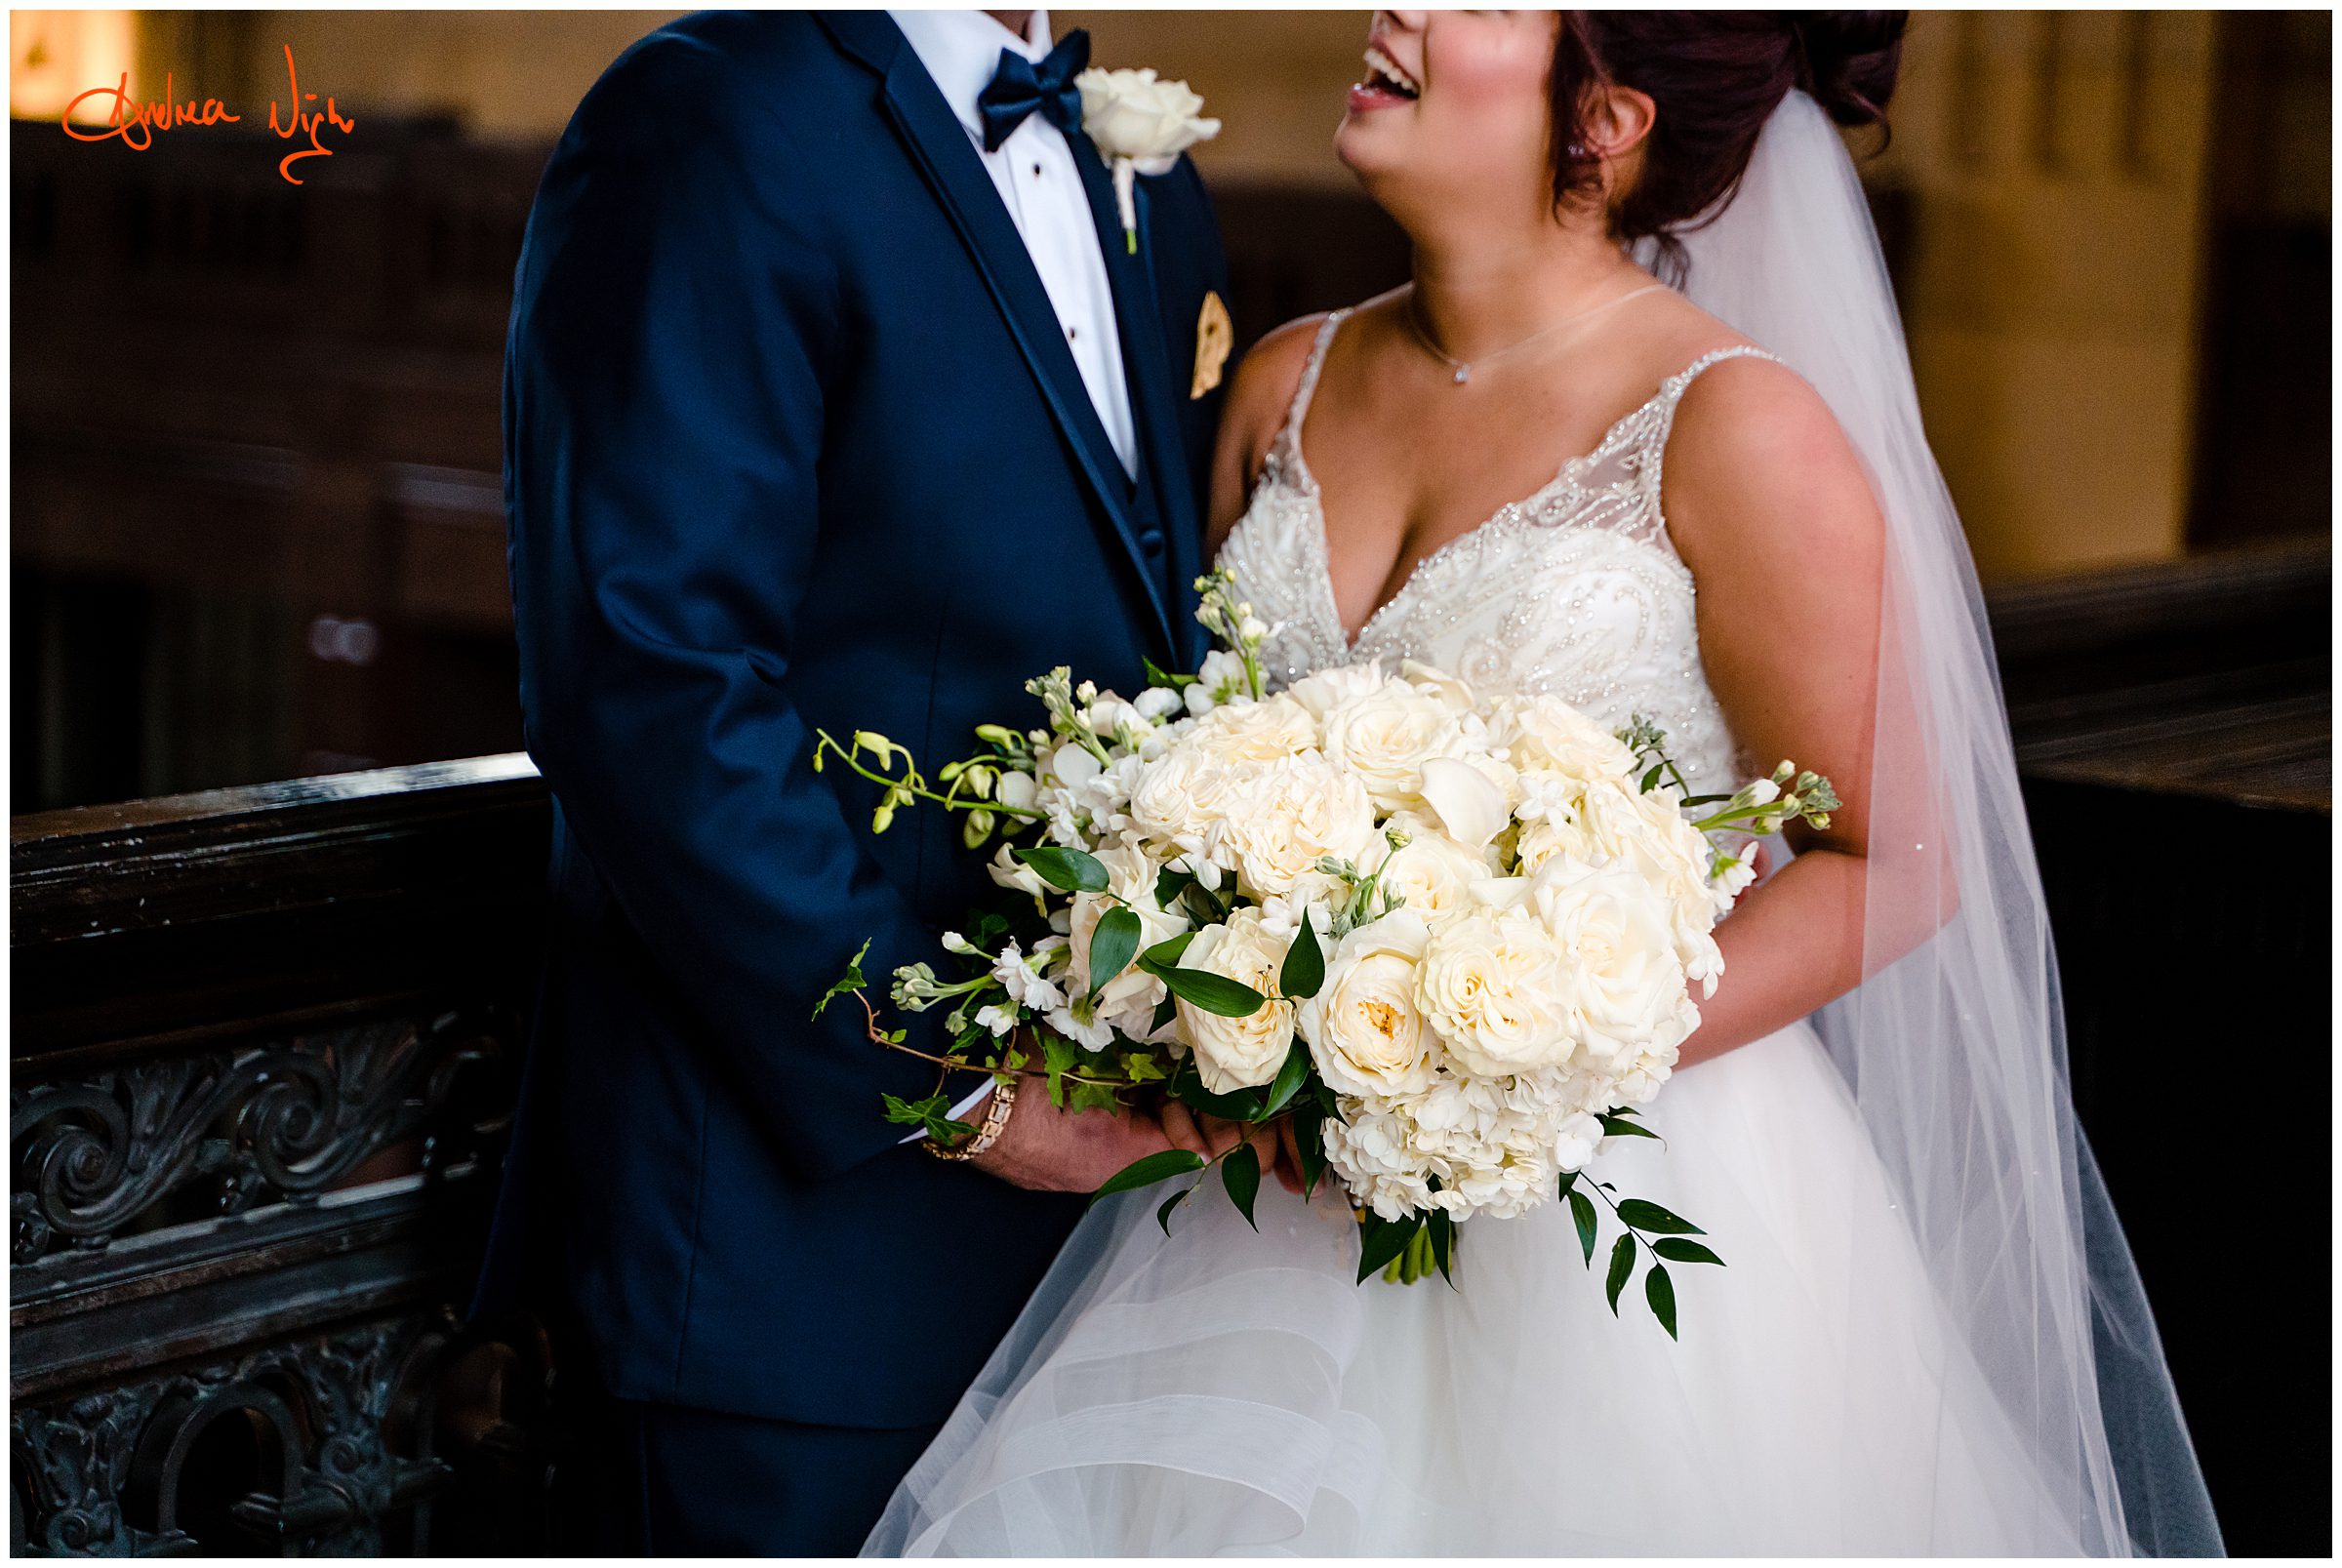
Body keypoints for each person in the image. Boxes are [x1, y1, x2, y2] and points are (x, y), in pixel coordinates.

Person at [865, 11, 2222, 1555]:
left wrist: (1492, 1067)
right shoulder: (1284, 384)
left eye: (1481, 0)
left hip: (1616, 1201)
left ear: (1607, 120)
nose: (1398, 11)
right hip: (1253, 1201)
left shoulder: (1736, 428)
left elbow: (1894, 859)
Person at [480, 9, 1230, 1552]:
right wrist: (947, 1085)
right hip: (781, 1266)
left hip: (1086, 1264)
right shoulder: (712, 115)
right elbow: (650, 678)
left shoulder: (1142, 168)